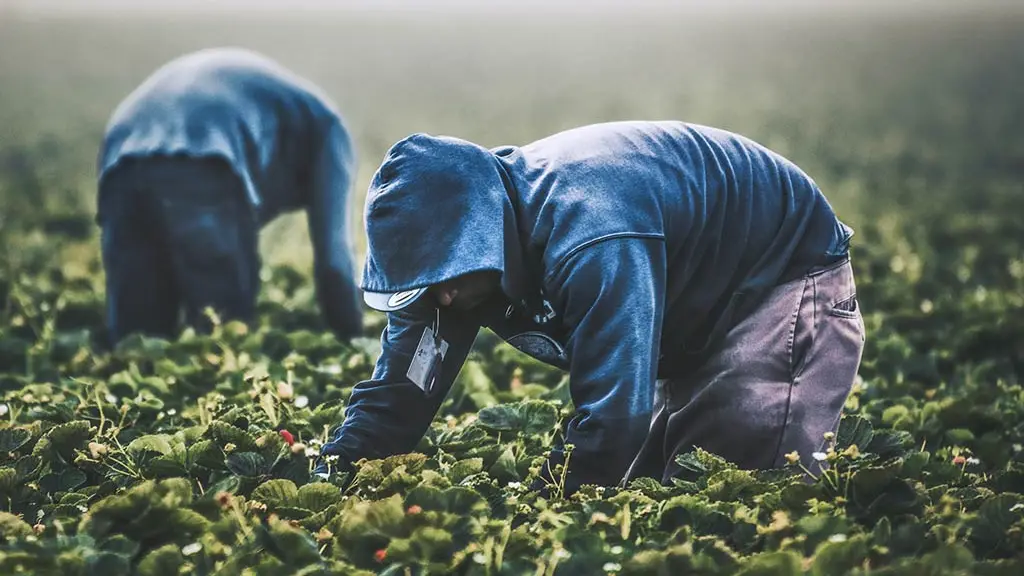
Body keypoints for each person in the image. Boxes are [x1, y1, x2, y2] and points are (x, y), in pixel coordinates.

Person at [315, 121, 865, 495]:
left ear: (481, 236)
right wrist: (331, 475)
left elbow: (615, 413)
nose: (443, 300)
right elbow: (402, 392)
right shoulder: (451, 275)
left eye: (448, 277)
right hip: (688, 300)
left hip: (780, 274)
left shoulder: (591, 233)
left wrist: (544, 506)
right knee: (663, 492)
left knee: (739, 487)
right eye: (424, 283)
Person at [96, 47, 362, 346]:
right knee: (222, 332)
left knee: (137, 340)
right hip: (203, 152)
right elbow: (334, 258)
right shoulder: (332, 132)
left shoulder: (289, 115)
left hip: (121, 150)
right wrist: (351, 337)